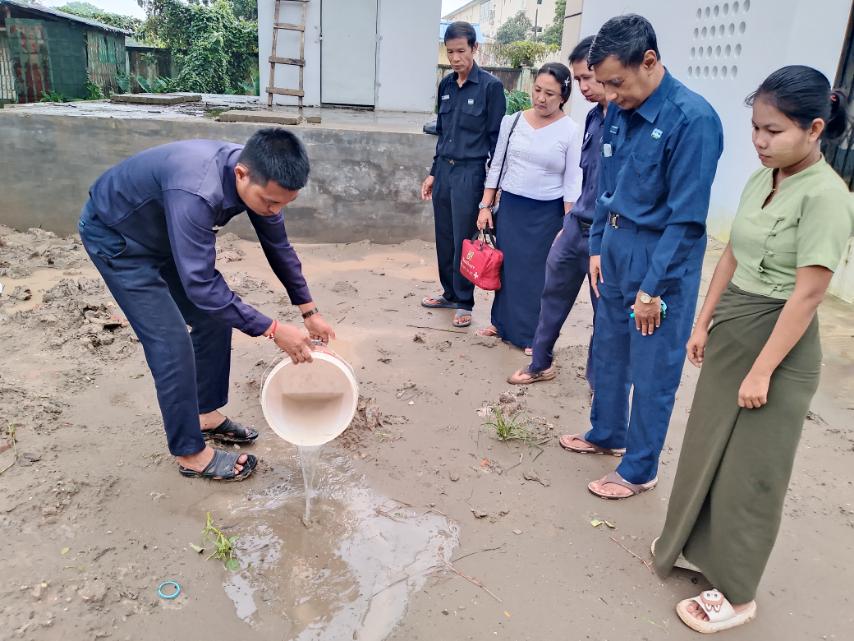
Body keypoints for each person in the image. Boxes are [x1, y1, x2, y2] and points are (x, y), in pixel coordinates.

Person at [652, 66, 853, 634]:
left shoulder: (828, 197)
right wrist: (703, 321)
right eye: (756, 128)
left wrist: (763, 371)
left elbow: (809, 293)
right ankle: (694, 549)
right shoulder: (763, 178)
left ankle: (737, 593)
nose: (760, 141)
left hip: (780, 343)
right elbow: (733, 254)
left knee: (752, 471)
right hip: (735, 325)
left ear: (815, 128)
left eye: (774, 131)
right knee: (705, 449)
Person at [78, 129, 335, 482]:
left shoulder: (260, 179)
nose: (274, 211)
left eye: (282, 204)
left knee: (214, 319)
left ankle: (204, 416)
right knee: (170, 342)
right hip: (119, 239)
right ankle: (190, 453)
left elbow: (279, 247)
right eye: (270, 202)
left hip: (167, 233)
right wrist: (273, 330)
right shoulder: (197, 190)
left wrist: (309, 312)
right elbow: (201, 285)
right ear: (241, 174)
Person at [560, 15, 724, 500]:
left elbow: (686, 219)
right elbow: (605, 187)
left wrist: (653, 289)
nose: (609, 94)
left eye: (617, 82)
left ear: (649, 61)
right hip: (614, 249)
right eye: (604, 84)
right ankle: (606, 432)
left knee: (653, 369)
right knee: (608, 350)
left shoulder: (692, 120)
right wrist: (596, 245)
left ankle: (639, 467)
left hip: (660, 260)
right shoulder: (618, 110)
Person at [506, 36, 606, 385]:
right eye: (579, 79)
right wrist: (570, 221)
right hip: (578, 224)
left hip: (606, 232)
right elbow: (585, 179)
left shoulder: (625, 122)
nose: (585, 86)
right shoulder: (594, 118)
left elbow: (576, 180)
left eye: (589, 77)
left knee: (603, 311)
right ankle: (540, 362)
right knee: (551, 296)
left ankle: (598, 383)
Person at [475, 62, 583, 352]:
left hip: (547, 214)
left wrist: (569, 223)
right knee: (507, 268)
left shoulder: (571, 131)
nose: (541, 98)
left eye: (550, 93)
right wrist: (485, 205)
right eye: (537, 90)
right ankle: (500, 322)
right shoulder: (512, 122)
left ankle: (533, 335)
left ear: (563, 96)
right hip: (511, 208)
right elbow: (497, 165)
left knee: (537, 276)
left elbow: (572, 181)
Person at [420, 21, 506, 328]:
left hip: (471, 173)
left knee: (463, 240)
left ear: (474, 48)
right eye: (450, 52)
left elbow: (496, 143)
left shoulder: (490, 88)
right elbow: (442, 134)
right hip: (444, 170)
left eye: (461, 51)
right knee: (443, 236)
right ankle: (448, 293)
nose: (456, 58)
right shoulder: (445, 85)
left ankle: (464, 301)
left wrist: (492, 190)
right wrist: (433, 173)